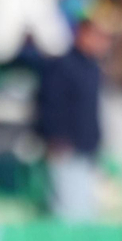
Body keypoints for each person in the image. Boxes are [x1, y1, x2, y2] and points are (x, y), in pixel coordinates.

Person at [36, 17, 108, 221]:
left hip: (87, 150)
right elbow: (49, 105)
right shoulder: (62, 65)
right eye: (97, 36)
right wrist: (55, 139)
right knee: (68, 213)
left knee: (87, 212)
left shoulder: (92, 68)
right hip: (65, 150)